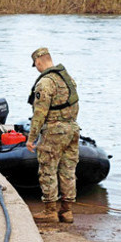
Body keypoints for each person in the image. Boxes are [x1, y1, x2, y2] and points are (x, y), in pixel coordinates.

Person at [27, 47, 80, 223]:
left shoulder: (45, 83)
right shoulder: (68, 79)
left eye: (35, 65)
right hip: (72, 129)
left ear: (39, 61)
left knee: (47, 169)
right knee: (68, 170)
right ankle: (67, 211)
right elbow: (74, 106)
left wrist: (31, 138)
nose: (36, 68)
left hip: (54, 131)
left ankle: (50, 210)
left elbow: (39, 114)